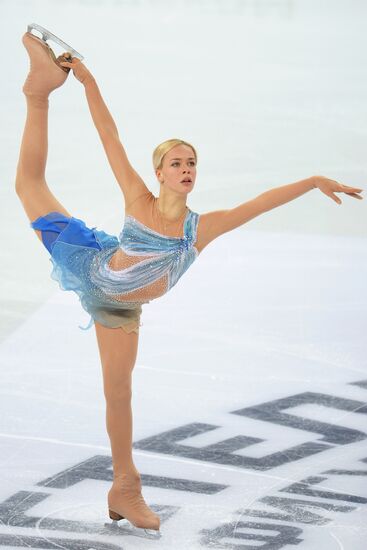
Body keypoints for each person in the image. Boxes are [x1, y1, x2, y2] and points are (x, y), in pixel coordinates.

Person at [15, 27, 364, 534]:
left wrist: (311, 181)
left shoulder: (201, 229)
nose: (185, 169)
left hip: (118, 310)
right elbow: (108, 136)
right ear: (159, 172)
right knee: (29, 183)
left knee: (118, 394)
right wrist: (87, 81)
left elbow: (257, 204)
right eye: (176, 162)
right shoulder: (138, 200)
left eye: (191, 163)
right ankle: (39, 91)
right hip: (87, 262)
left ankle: (124, 487)